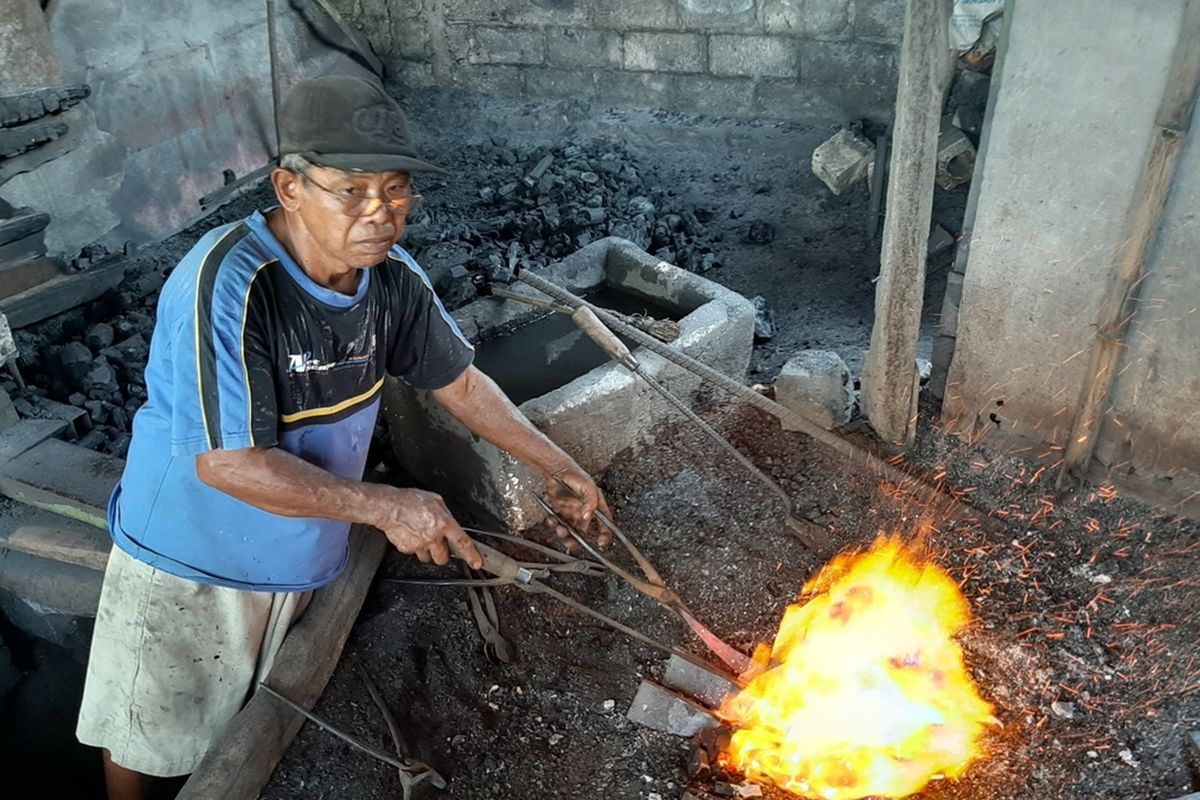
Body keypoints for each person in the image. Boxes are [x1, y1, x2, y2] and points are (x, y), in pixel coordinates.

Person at [75, 74, 608, 800]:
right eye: (351, 191)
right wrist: (389, 507)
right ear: (288, 188)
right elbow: (230, 465)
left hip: (302, 547)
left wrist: (556, 464)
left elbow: (460, 382)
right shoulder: (231, 283)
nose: (380, 213)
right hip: (193, 556)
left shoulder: (390, 280)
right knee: (150, 730)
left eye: (395, 190)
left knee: (248, 731)